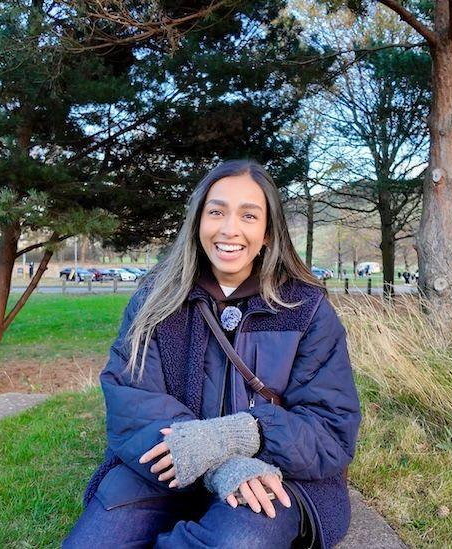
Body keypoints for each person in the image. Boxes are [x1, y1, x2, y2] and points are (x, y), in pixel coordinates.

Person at [61, 160, 361, 549]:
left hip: (276, 474)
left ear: (268, 233)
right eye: (216, 211)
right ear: (198, 221)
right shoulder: (156, 300)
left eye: (248, 216)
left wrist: (245, 434)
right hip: (163, 464)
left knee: (237, 542)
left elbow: (330, 430)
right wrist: (223, 463)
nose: (229, 228)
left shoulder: (305, 309)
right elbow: (131, 403)